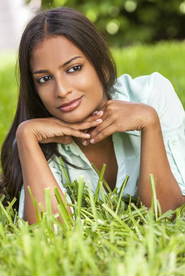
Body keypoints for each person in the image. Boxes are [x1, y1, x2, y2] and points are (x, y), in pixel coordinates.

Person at [0, 7, 185, 224]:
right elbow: (49, 232)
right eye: (44, 79)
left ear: (103, 67)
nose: (61, 90)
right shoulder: (42, 139)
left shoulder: (151, 94)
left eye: (73, 68)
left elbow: (167, 214)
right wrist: (26, 136)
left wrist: (150, 124)